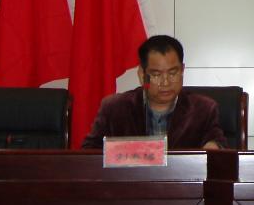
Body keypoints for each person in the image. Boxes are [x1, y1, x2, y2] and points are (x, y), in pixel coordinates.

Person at [81, 34, 226, 149]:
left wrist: (214, 147)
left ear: (182, 70)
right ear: (142, 75)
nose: (166, 82)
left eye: (173, 73)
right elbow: (88, 154)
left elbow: (218, 143)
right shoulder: (114, 108)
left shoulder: (203, 109)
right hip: (130, 179)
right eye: (156, 75)